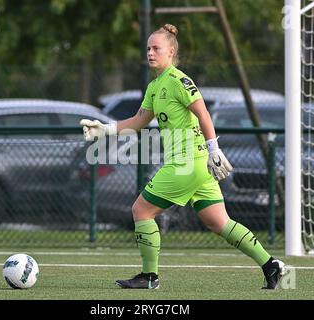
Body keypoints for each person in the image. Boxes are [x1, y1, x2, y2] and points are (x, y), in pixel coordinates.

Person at [80, 24, 286, 290]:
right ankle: (271, 265)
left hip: (186, 163)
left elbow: (203, 114)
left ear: (171, 51)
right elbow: (138, 121)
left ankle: (149, 277)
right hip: (196, 167)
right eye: (148, 49)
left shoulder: (179, 81)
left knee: (141, 210)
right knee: (219, 223)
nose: (150, 53)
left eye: (156, 48)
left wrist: (214, 149)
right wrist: (104, 129)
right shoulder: (155, 86)